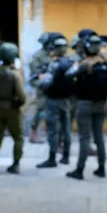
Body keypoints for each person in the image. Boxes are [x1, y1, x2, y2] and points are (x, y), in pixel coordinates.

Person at [67, 35, 107, 180]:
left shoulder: (83, 64)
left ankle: (79, 170)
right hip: (101, 104)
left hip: (85, 104)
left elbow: (70, 79)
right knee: (99, 137)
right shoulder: (105, 63)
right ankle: (101, 168)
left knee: (85, 138)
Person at [0, 43, 26, 174]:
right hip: (12, 110)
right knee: (18, 137)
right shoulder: (14, 74)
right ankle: (16, 164)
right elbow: (22, 96)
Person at [36, 36, 74, 168]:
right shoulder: (71, 63)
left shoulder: (54, 65)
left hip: (53, 101)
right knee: (66, 129)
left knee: (53, 130)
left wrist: (41, 78)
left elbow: (44, 83)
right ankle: (66, 157)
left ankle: (52, 159)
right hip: (67, 101)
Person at [27, 32, 53, 144]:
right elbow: (35, 74)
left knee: (51, 111)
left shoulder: (51, 54)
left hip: (51, 85)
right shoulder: (38, 56)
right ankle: (33, 133)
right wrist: (41, 78)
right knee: (41, 111)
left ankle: (50, 133)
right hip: (42, 86)